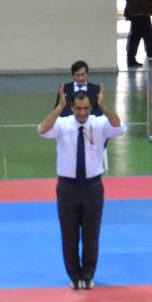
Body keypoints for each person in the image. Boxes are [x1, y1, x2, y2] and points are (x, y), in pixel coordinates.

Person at [41, 86, 126, 290]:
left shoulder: (99, 123)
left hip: (93, 186)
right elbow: (42, 130)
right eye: (78, 108)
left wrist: (104, 107)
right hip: (67, 187)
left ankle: (88, 275)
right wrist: (58, 108)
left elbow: (120, 127)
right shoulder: (62, 124)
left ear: (90, 108)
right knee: (69, 235)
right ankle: (74, 275)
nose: (82, 113)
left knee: (91, 235)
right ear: (71, 107)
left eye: (86, 108)